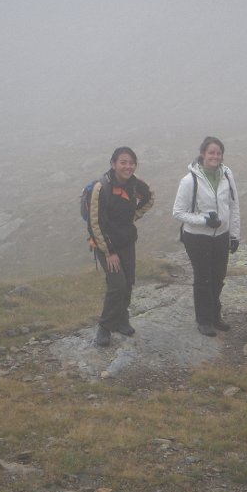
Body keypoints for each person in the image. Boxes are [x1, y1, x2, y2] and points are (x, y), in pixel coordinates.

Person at [173, 136, 241, 337]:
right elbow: (178, 212)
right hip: (197, 237)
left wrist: (234, 235)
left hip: (221, 235)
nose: (215, 156)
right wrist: (204, 220)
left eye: (219, 153)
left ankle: (215, 316)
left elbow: (233, 205)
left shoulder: (227, 174)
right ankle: (203, 320)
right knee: (204, 278)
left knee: (218, 277)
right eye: (211, 152)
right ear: (203, 153)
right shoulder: (189, 180)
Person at [88, 147, 154, 346]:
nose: (128, 166)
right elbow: (95, 223)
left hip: (126, 241)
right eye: (123, 162)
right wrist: (109, 252)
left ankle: (122, 319)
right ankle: (105, 327)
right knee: (117, 285)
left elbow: (150, 197)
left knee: (128, 282)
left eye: (131, 163)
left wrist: (132, 216)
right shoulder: (101, 188)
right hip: (105, 244)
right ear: (113, 164)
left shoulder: (135, 184)